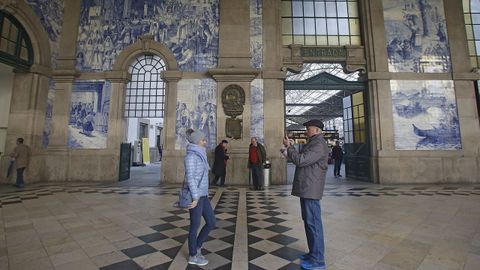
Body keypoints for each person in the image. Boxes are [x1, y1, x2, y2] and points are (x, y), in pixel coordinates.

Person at [281, 119, 329, 270]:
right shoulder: (313, 142)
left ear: (317, 130)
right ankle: (312, 253)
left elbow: (301, 160)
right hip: (307, 187)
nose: (306, 130)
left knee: (313, 224)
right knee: (309, 222)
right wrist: (289, 150)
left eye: (309, 128)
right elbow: (301, 159)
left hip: (311, 188)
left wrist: (290, 147)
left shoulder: (318, 144)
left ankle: (318, 260)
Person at [184, 129, 216, 266]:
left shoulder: (200, 154)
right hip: (195, 196)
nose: (205, 142)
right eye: (203, 140)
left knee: (211, 222)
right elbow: (190, 178)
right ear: (198, 141)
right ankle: (192, 255)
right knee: (195, 225)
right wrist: (195, 198)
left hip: (203, 195)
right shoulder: (191, 157)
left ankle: (197, 246)